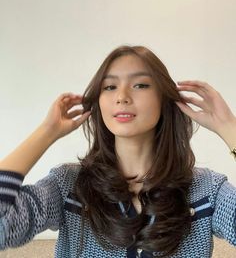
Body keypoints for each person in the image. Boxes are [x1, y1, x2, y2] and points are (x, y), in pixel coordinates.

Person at [0, 45, 235, 258]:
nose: (122, 97)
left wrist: (229, 128)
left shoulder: (207, 191)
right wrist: (45, 133)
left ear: (164, 99)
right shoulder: (69, 186)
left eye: (140, 85)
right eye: (109, 87)